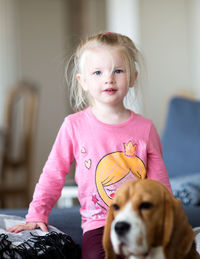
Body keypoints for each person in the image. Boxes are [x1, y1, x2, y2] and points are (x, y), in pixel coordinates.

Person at [8, 32, 172, 259]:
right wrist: (37, 213)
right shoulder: (74, 126)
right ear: (83, 81)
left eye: (118, 71)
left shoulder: (145, 128)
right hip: (99, 225)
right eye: (97, 72)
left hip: (140, 221)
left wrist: (167, 218)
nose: (109, 79)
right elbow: (53, 173)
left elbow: (158, 183)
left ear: (133, 77)